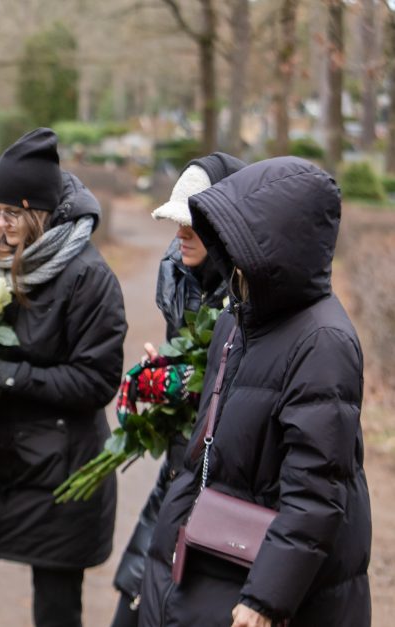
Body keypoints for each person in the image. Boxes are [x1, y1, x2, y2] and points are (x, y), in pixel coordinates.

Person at [138, 157, 372, 626]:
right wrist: (163, 567)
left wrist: (267, 597)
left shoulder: (322, 341)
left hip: (273, 587)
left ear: (275, 243)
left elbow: (316, 489)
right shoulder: (237, 319)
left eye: (233, 232)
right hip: (214, 562)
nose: (222, 244)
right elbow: (204, 456)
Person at [0, 128, 128, 626]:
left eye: (13, 213)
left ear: (40, 210)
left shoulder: (89, 277)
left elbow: (95, 383)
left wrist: (2, 373)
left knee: (55, 616)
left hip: (58, 479)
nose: (2, 223)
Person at [110, 152, 246, 627]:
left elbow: (244, 391)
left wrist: (193, 384)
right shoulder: (180, 275)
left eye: (194, 222)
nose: (181, 233)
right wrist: (165, 373)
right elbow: (188, 361)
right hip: (178, 469)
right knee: (134, 596)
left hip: (223, 489)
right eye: (178, 221)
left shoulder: (249, 293)